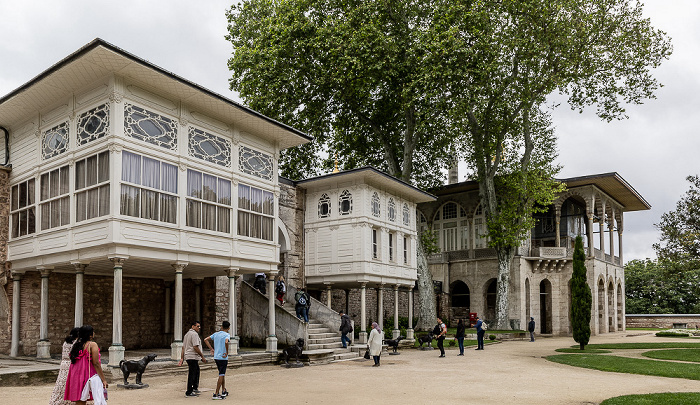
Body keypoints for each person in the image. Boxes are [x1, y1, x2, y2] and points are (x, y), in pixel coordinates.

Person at [64, 325, 108, 405]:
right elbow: (96, 363)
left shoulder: (76, 345)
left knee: (80, 400)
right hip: (86, 374)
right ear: (90, 335)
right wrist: (103, 379)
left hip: (76, 374)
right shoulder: (92, 344)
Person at [50, 327, 79, 405]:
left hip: (64, 363)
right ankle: (68, 400)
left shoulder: (66, 342)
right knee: (70, 382)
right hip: (71, 364)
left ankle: (58, 398)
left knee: (62, 381)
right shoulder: (75, 342)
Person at [178, 321, 207, 397]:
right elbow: (195, 346)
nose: (199, 328)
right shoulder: (194, 334)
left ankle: (195, 387)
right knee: (192, 373)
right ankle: (189, 391)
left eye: (199, 326)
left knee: (196, 371)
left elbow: (183, 347)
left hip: (189, 356)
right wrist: (202, 356)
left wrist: (182, 358)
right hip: (192, 356)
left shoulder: (187, 334)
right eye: (198, 326)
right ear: (193, 326)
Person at [204, 321, 231, 400]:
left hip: (216, 357)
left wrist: (211, 349)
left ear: (222, 327)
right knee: (221, 374)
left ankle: (223, 390)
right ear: (228, 328)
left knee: (221, 374)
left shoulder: (216, 334)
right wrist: (226, 352)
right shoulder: (227, 335)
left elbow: (206, 339)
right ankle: (216, 393)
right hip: (223, 357)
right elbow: (226, 341)